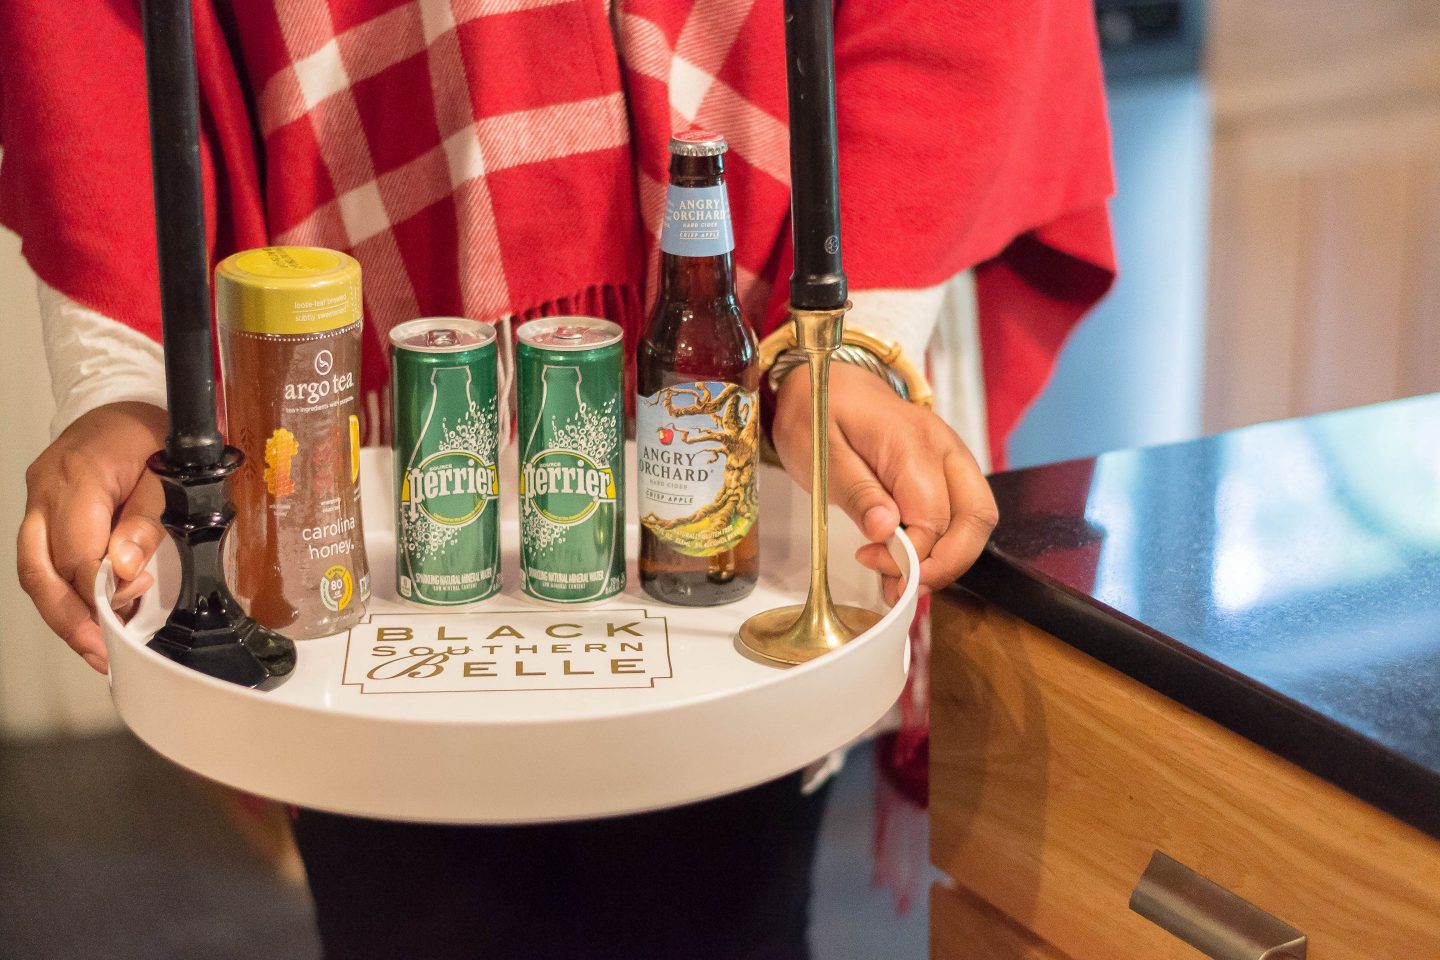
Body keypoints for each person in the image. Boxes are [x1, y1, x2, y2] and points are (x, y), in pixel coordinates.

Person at [3, 1, 1114, 957]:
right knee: (416, 910)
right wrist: (128, 384)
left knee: (718, 906)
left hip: (752, 374)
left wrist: (845, 349)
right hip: (354, 402)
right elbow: (96, 40)